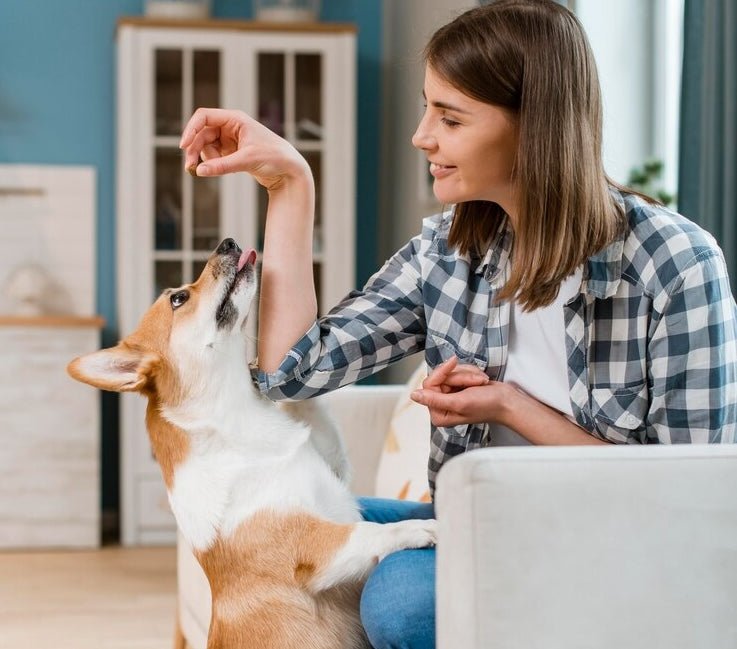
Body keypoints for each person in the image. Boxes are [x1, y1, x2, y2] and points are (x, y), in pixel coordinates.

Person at [179, 1, 737, 646]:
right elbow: (294, 369)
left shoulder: (675, 264)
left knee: (404, 610)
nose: (422, 136)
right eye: (427, 109)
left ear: (535, 127)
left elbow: (693, 498)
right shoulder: (449, 252)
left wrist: (510, 406)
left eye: (449, 117)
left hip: (611, 547)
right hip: (479, 520)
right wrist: (289, 185)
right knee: (264, 531)